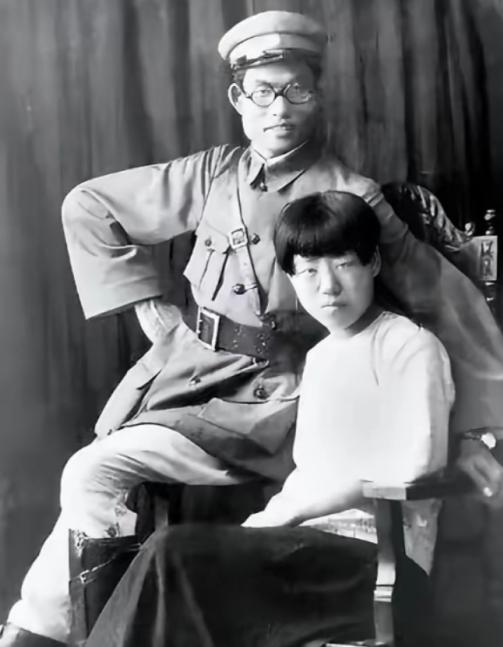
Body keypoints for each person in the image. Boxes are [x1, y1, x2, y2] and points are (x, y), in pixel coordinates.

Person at [1, 9, 503, 647]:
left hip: (277, 403)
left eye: (297, 90)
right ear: (239, 100)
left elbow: (446, 301)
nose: (280, 109)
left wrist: (481, 429)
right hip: (192, 379)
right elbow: (89, 205)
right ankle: (50, 632)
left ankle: (53, 635)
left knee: (103, 481)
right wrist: (150, 309)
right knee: (93, 471)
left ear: (318, 95)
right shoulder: (215, 172)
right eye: (263, 93)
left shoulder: (350, 195)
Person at [83, 190, 453, 647]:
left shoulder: (409, 345)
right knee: (172, 574)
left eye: (343, 264)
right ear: (292, 279)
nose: (328, 286)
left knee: (171, 553)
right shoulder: (321, 358)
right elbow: (307, 475)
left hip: (377, 559)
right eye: (309, 270)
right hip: (303, 553)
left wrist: (293, 512)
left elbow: (417, 467)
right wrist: (266, 522)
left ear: (373, 262)